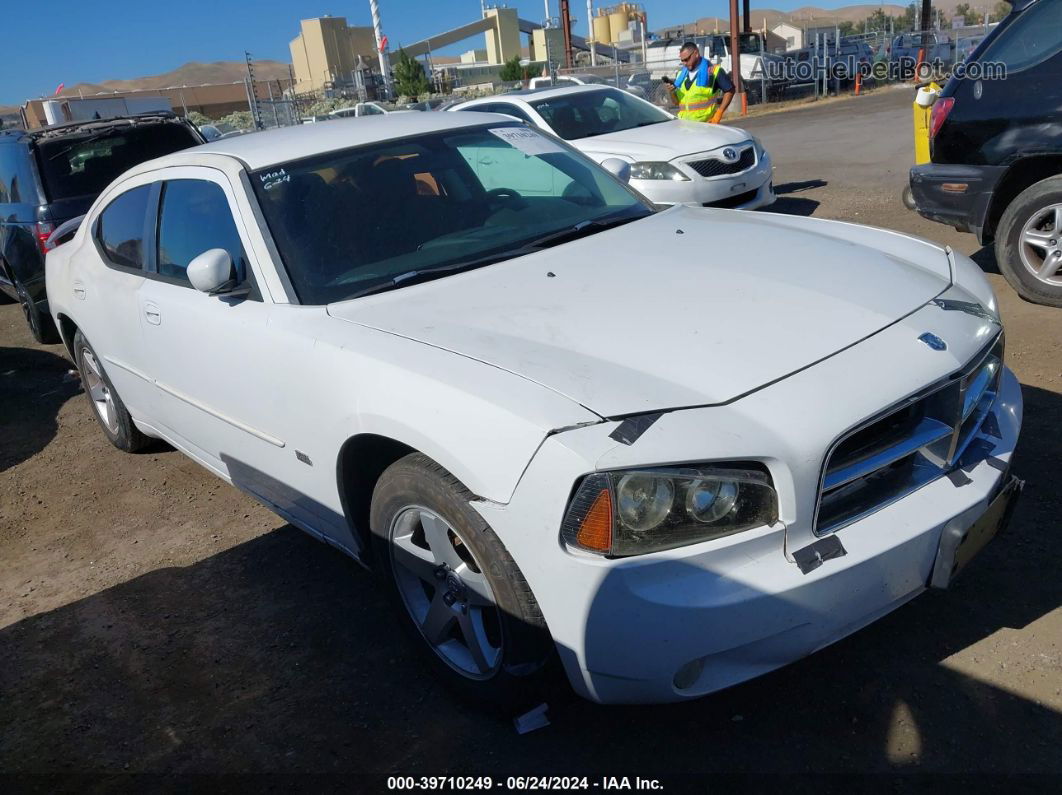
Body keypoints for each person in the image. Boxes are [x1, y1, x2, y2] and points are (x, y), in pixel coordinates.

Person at [661, 42, 735, 124]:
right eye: (682, 61)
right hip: (684, 126)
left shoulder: (714, 72)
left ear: (696, 53)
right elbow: (676, 102)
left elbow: (730, 90)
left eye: (686, 59)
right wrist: (671, 92)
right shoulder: (680, 76)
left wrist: (719, 113)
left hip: (705, 126)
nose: (684, 63)